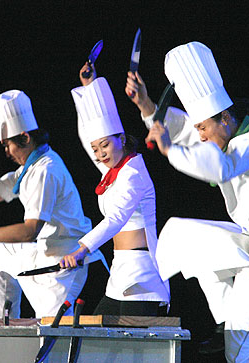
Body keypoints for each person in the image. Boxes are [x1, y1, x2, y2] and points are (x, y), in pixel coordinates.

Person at [127, 42, 249, 362]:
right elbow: (185, 131)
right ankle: (228, 322)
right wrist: (146, 107)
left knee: (240, 348)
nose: (202, 136)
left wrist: (170, 148)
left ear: (225, 118)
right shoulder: (228, 137)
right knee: (191, 243)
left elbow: (221, 167)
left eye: (204, 128)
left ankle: (231, 328)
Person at [0, 90, 104, 318]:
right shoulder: (28, 169)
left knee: (53, 336)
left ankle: (17, 328)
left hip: (64, 262)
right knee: (1, 252)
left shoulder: (45, 170)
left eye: (8, 145)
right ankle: (1, 323)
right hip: (45, 252)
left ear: (25, 138)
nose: (6, 152)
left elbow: (29, 231)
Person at [59, 63, 170, 316]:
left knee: (136, 351)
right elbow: (85, 136)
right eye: (96, 149)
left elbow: (117, 219)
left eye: (105, 145)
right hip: (119, 272)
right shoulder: (113, 172)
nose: (99, 154)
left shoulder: (133, 172)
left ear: (121, 138)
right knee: (99, 344)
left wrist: (81, 250)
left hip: (141, 275)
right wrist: (89, 89)